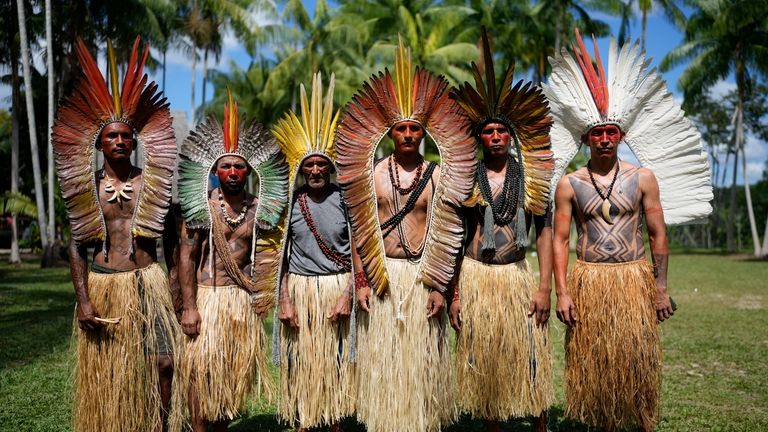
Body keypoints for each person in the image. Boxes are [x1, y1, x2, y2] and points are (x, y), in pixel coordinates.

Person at [544, 30, 713, 431]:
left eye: (611, 133)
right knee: (596, 365)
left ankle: (643, 426)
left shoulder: (644, 179)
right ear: (585, 138)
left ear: (620, 135)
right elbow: (561, 240)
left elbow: (658, 236)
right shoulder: (570, 183)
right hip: (590, 281)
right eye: (597, 134)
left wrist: (659, 288)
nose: (604, 139)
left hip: (632, 280)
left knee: (637, 362)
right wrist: (562, 293)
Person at [335, 38, 476, 432]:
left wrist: (440, 288)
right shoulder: (372, 174)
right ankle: (384, 423)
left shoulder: (438, 175)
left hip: (421, 278)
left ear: (424, 132)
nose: (409, 134)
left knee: (422, 365)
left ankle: (422, 423)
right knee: (383, 365)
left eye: (416, 128)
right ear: (391, 132)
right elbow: (360, 232)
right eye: (402, 128)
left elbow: (449, 235)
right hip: (383, 279)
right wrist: (361, 280)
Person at [52, 38, 184, 432]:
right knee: (113, 368)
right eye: (112, 137)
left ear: (136, 142)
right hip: (105, 282)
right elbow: (78, 246)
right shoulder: (87, 187)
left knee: (164, 360)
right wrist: (84, 301)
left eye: (127, 137)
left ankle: (161, 426)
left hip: (149, 281)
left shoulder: (155, 183)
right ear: (99, 143)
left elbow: (174, 244)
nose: (121, 142)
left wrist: (176, 290)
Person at [448, 30, 555, 432]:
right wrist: (455, 294)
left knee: (530, 351)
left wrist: (545, 287)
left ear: (512, 135)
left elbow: (544, 233)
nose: (495, 138)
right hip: (477, 274)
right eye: (488, 132)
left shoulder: (531, 177)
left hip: (516, 276)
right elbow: (455, 240)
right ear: (478, 138)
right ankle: (492, 422)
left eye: (501, 132)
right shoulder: (464, 180)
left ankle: (540, 421)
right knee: (485, 356)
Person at [177, 93, 288, 431]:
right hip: (208, 298)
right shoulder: (201, 207)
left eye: (239, 165)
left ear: (249, 170)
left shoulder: (260, 209)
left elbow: (271, 254)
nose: (233, 171)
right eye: (226, 166)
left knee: (228, 372)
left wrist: (263, 294)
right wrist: (189, 307)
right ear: (215, 170)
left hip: (240, 300)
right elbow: (187, 255)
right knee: (199, 371)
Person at [271, 72, 360, 432]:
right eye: (309, 165)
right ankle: (305, 421)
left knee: (337, 361)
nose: (316, 170)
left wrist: (349, 293)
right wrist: (284, 299)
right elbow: (276, 257)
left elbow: (359, 251)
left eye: (322, 164)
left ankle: (336, 420)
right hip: (301, 290)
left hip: (336, 288)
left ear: (331, 167)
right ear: (301, 169)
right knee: (300, 361)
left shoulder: (347, 201)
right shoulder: (290, 204)